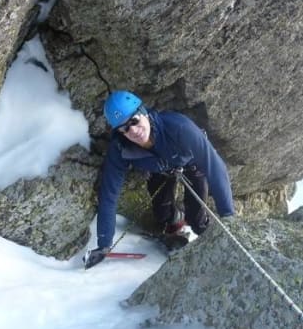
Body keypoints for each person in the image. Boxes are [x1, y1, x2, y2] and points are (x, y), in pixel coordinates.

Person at [84, 90, 235, 269]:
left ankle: (211, 246)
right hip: (161, 170)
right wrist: (104, 243)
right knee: (162, 216)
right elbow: (109, 194)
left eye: (134, 121)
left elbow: (215, 168)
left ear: (144, 112)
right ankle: (175, 224)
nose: (133, 130)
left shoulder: (179, 127)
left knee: (197, 220)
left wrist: (228, 216)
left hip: (193, 165)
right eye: (124, 128)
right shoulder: (120, 148)